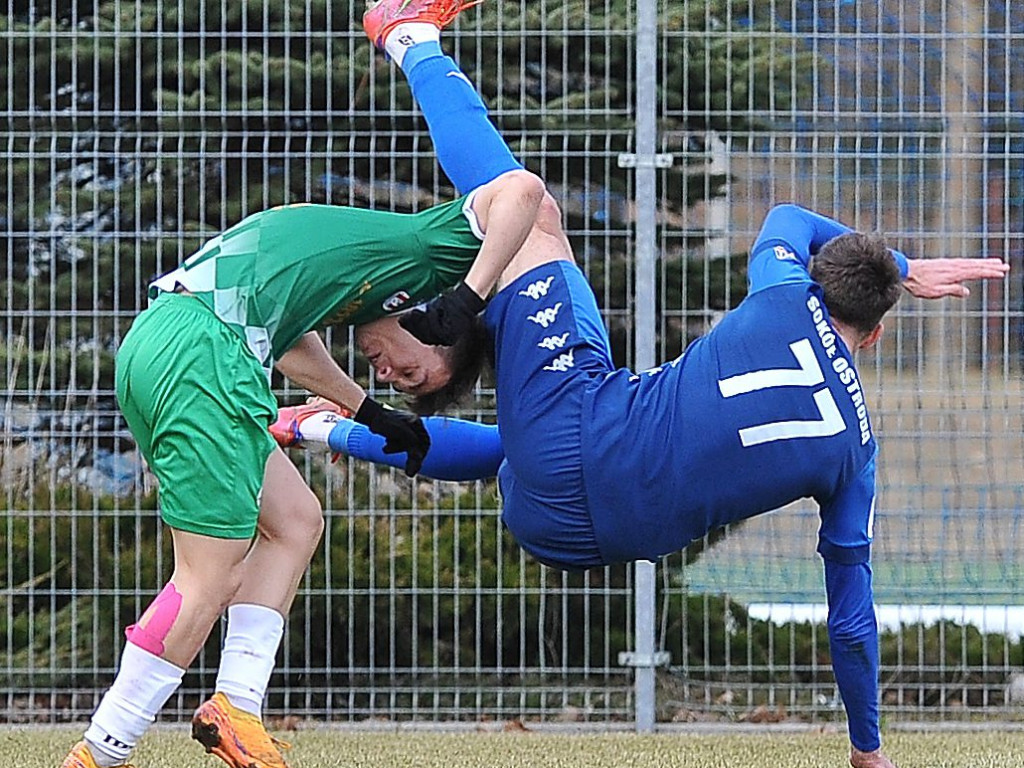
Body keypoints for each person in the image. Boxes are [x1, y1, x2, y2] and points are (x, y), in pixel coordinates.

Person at [273, 2, 1013, 766]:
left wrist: (900, 265)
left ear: (810, 283)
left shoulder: (781, 297)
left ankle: (409, 37)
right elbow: (852, 620)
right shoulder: (856, 452)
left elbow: (788, 216)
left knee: (531, 220)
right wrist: (866, 750)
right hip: (574, 528)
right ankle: (317, 426)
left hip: (569, 452)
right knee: (516, 449)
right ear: (877, 335)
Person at [58, 8, 546, 768]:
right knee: (208, 576)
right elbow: (523, 195)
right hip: (204, 356)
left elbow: (289, 346)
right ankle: (103, 749)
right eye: (412, 369)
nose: (394, 373)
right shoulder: (426, 254)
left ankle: (235, 710)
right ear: (431, 316)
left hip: (170, 343)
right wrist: (472, 299)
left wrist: (369, 410)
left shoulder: (351, 289)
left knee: (294, 518)